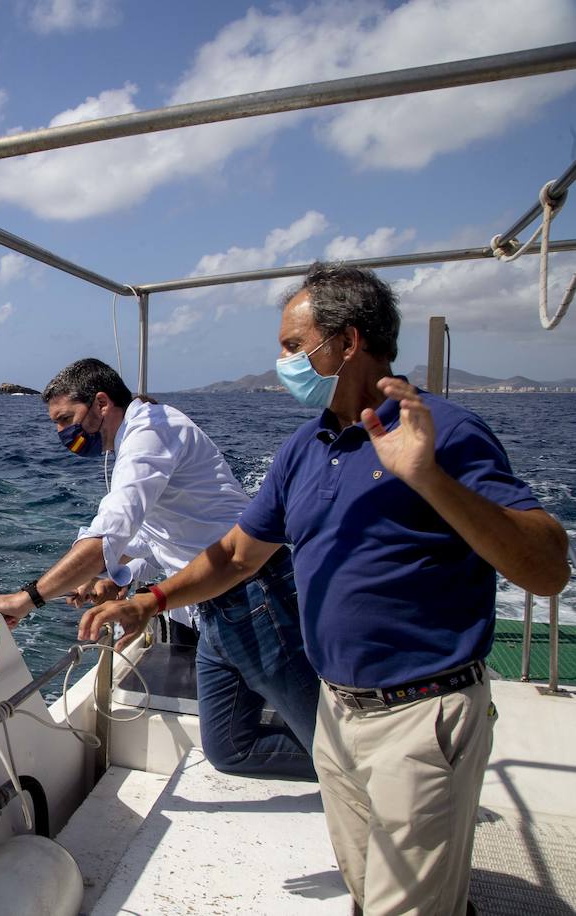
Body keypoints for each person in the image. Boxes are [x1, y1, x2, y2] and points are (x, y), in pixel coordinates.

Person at [79, 263, 570, 916]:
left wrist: (427, 479)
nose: (282, 361)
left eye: (291, 346)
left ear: (348, 342)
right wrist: (150, 599)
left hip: (420, 716)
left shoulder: (446, 432)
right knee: (369, 889)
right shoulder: (303, 450)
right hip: (337, 711)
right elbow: (236, 556)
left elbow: (546, 566)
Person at [0, 357, 320, 780]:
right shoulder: (136, 438)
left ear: (101, 403)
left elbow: (108, 535)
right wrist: (113, 576)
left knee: (327, 738)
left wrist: (27, 598)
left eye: (65, 419)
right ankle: (347, 769)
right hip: (213, 608)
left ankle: (369, 777)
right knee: (231, 749)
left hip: (256, 596)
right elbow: (157, 534)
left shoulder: (149, 433)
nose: (62, 433)